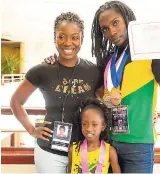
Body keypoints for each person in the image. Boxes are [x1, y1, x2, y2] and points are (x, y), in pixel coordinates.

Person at [90, 1, 160, 173]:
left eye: (115, 23)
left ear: (127, 19)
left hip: (139, 146)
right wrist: (106, 98)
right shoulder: (107, 59)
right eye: (105, 28)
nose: (111, 32)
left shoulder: (152, 52)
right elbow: (98, 93)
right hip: (109, 142)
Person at [10, 12, 102, 173]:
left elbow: (107, 100)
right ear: (54, 38)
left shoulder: (93, 71)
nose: (68, 43)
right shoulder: (42, 71)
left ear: (81, 39)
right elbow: (16, 102)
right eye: (61, 36)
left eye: (74, 37)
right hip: (49, 152)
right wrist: (32, 129)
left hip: (84, 149)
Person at [68, 98, 121, 173]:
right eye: (84, 124)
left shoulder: (110, 151)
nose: (89, 129)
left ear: (103, 126)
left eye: (94, 124)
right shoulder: (73, 149)